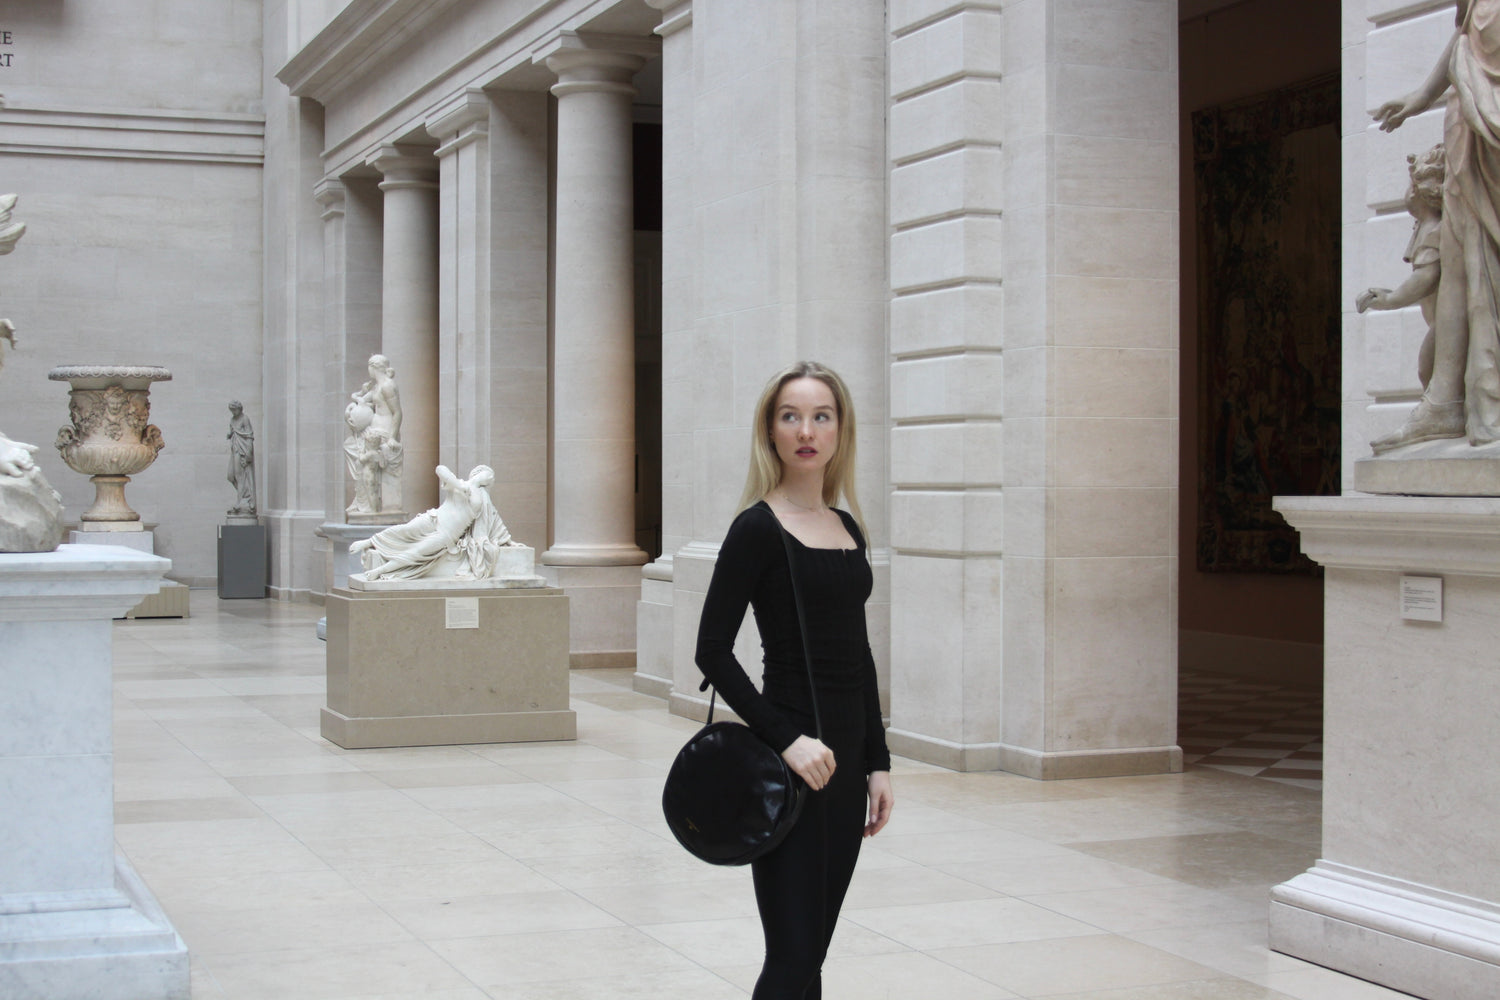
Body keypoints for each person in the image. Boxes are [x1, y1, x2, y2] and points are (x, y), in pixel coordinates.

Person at [694, 361, 894, 1000]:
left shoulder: (848, 528)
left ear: (839, 430)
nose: (806, 431)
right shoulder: (756, 528)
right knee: (792, 955)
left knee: (812, 958)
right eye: (791, 417)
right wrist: (787, 740)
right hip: (790, 764)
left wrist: (877, 762)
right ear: (771, 432)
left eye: (820, 416)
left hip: (845, 764)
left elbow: (858, 656)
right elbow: (712, 652)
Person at [1372, 0, 1500, 448]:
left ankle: (1480, 397)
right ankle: (1446, 400)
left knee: (1482, 260)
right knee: (1462, 255)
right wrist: (1422, 96)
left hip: (1489, 121)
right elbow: (1465, 35)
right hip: (1468, 119)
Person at [350, 464, 512, 581]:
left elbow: (494, 520)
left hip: (447, 535)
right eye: (489, 474)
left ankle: (379, 571)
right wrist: (459, 486)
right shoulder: (458, 483)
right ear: (478, 473)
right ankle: (369, 542)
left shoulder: (483, 498)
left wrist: (507, 540)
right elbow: (440, 469)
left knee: (415, 554)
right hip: (434, 519)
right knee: (404, 529)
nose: (491, 478)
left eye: (492, 478)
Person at [343, 354, 403, 514]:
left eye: (369, 367)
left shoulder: (387, 386)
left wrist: (392, 437)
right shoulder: (377, 386)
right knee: (351, 446)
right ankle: (362, 500)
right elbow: (360, 399)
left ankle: (366, 503)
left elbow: (397, 412)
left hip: (384, 431)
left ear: (373, 367)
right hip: (374, 428)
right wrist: (361, 392)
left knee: (359, 455)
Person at [225, 400, 255, 515]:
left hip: (243, 450)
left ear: (239, 408)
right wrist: (230, 434)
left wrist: (249, 453)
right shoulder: (232, 419)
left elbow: (249, 435)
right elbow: (234, 431)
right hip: (235, 449)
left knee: (240, 476)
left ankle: (240, 502)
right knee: (230, 476)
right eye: (231, 410)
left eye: (234, 409)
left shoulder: (245, 419)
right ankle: (246, 496)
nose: (233, 412)